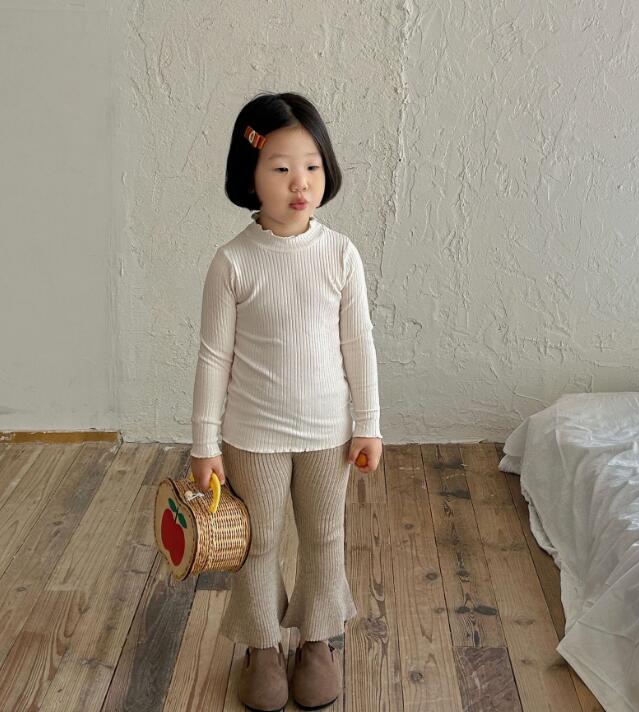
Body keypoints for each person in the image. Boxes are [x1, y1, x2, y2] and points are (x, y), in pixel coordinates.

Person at [190, 91, 382, 711]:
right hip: (253, 437)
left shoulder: (341, 255)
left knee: (324, 536)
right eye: (280, 168)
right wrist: (204, 444)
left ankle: (318, 641)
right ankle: (263, 646)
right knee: (259, 542)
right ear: (250, 175)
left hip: (328, 434)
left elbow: (358, 344)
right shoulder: (232, 262)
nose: (301, 182)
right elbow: (213, 358)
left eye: (312, 166)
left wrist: (368, 424)